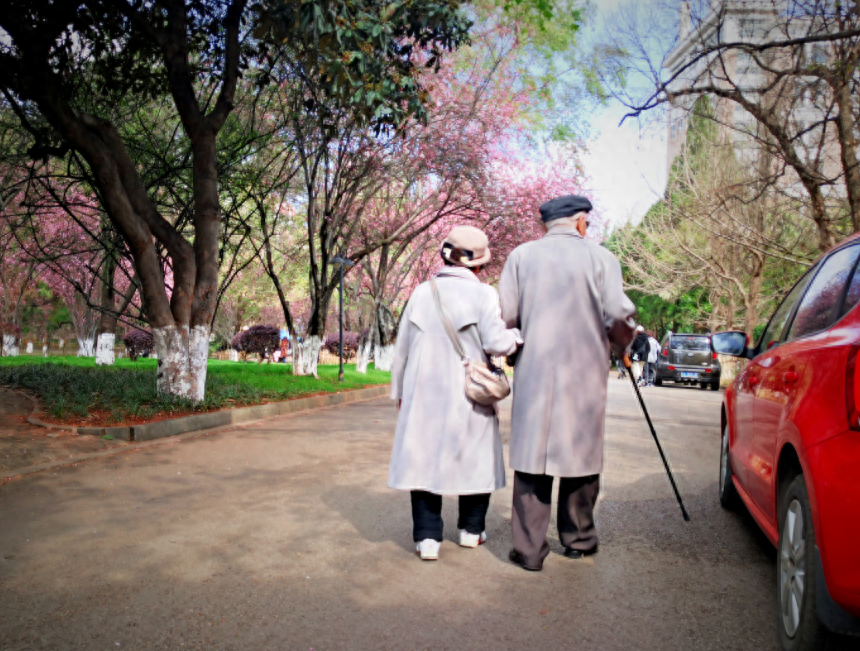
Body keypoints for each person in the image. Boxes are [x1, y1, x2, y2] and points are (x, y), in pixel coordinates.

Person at [499, 194, 636, 571]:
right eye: (586, 223)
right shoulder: (602, 259)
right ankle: (578, 540)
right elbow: (620, 314)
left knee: (532, 457)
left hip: (536, 370)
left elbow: (506, 314)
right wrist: (623, 345)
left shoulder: (521, 257)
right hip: (584, 372)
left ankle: (528, 550)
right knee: (581, 453)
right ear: (578, 221)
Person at [389, 225, 522, 561]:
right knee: (475, 458)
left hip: (422, 392)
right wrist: (516, 337)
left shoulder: (421, 292)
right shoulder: (484, 295)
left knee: (423, 459)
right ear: (479, 265)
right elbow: (496, 343)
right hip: (467, 391)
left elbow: (401, 349)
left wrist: (399, 393)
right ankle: (471, 530)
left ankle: (427, 538)